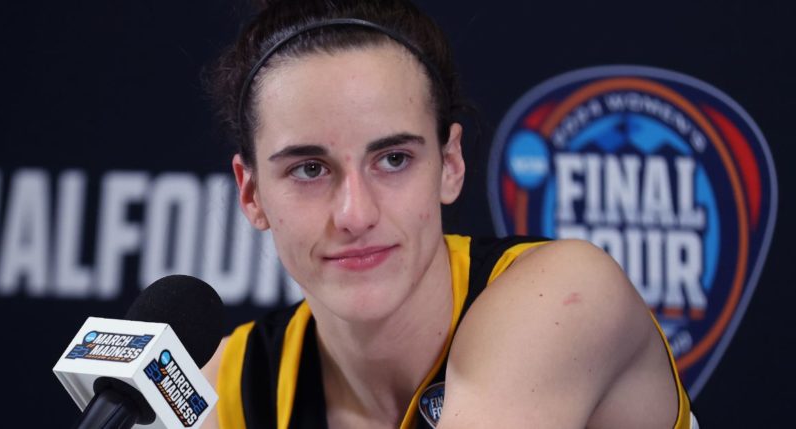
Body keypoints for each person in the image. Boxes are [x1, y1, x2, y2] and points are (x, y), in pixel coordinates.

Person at [201, 0, 696, 427]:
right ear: (252, 195)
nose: (355, 213)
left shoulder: (563, 296)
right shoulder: (231, 387)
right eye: (309, 169)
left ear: (450, 164)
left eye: (394, 160)